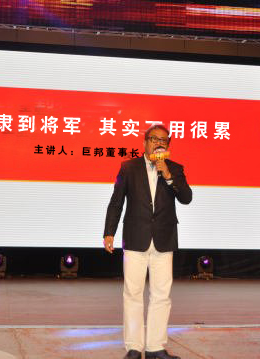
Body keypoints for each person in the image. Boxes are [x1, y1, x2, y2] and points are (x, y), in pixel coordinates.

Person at [104, 124, 192, 359]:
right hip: (135, 237)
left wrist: (168, 175)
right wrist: (109, 232)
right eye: (154, 139)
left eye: (163, 140)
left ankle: (155, 348)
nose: (158, 143)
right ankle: (134, 347)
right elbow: (116, 202)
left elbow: (186, 198)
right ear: (145, 143)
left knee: (161, 295)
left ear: (168, 145)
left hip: (164, 238)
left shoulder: (174, 169)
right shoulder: (129, 168)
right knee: (132, 293)